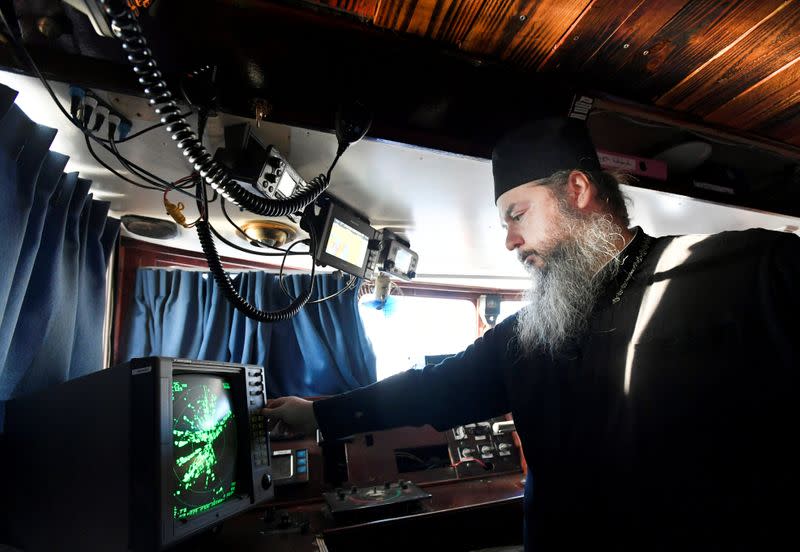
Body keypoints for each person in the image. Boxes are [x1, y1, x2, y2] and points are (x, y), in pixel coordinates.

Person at [264, 116, 800, 551]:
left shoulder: (741, 273)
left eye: (516, 214)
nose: (510, 241)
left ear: (578, 189)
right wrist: (316, 414)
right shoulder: (526, 337)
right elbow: (432, 388)